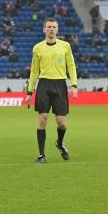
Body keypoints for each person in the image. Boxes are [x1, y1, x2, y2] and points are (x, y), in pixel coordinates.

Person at [26, 18, 78, 163]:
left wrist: (74, 85)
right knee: (42, 119)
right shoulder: (37, 48)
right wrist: (29, 92)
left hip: (60, 84)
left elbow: (71, 66)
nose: (51, 29)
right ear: (44, 29)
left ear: (57, 30)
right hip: (44, 85)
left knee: (62, 123)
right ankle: (42, 155)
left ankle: (60, 143)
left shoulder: (65, 46)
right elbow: (34, 71)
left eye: (54, 27)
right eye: (48, 27)